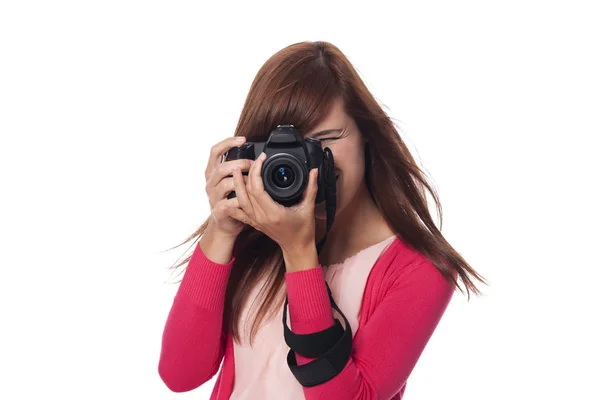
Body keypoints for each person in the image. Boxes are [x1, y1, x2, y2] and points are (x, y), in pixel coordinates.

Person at [158, 41, 488, 399]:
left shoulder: (421, 268)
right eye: (288, 150)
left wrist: (299, 254)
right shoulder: (256, 239)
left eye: (328, 139)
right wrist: (221, 229)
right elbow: (181, 374)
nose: (311, 162)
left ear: (367, 137)